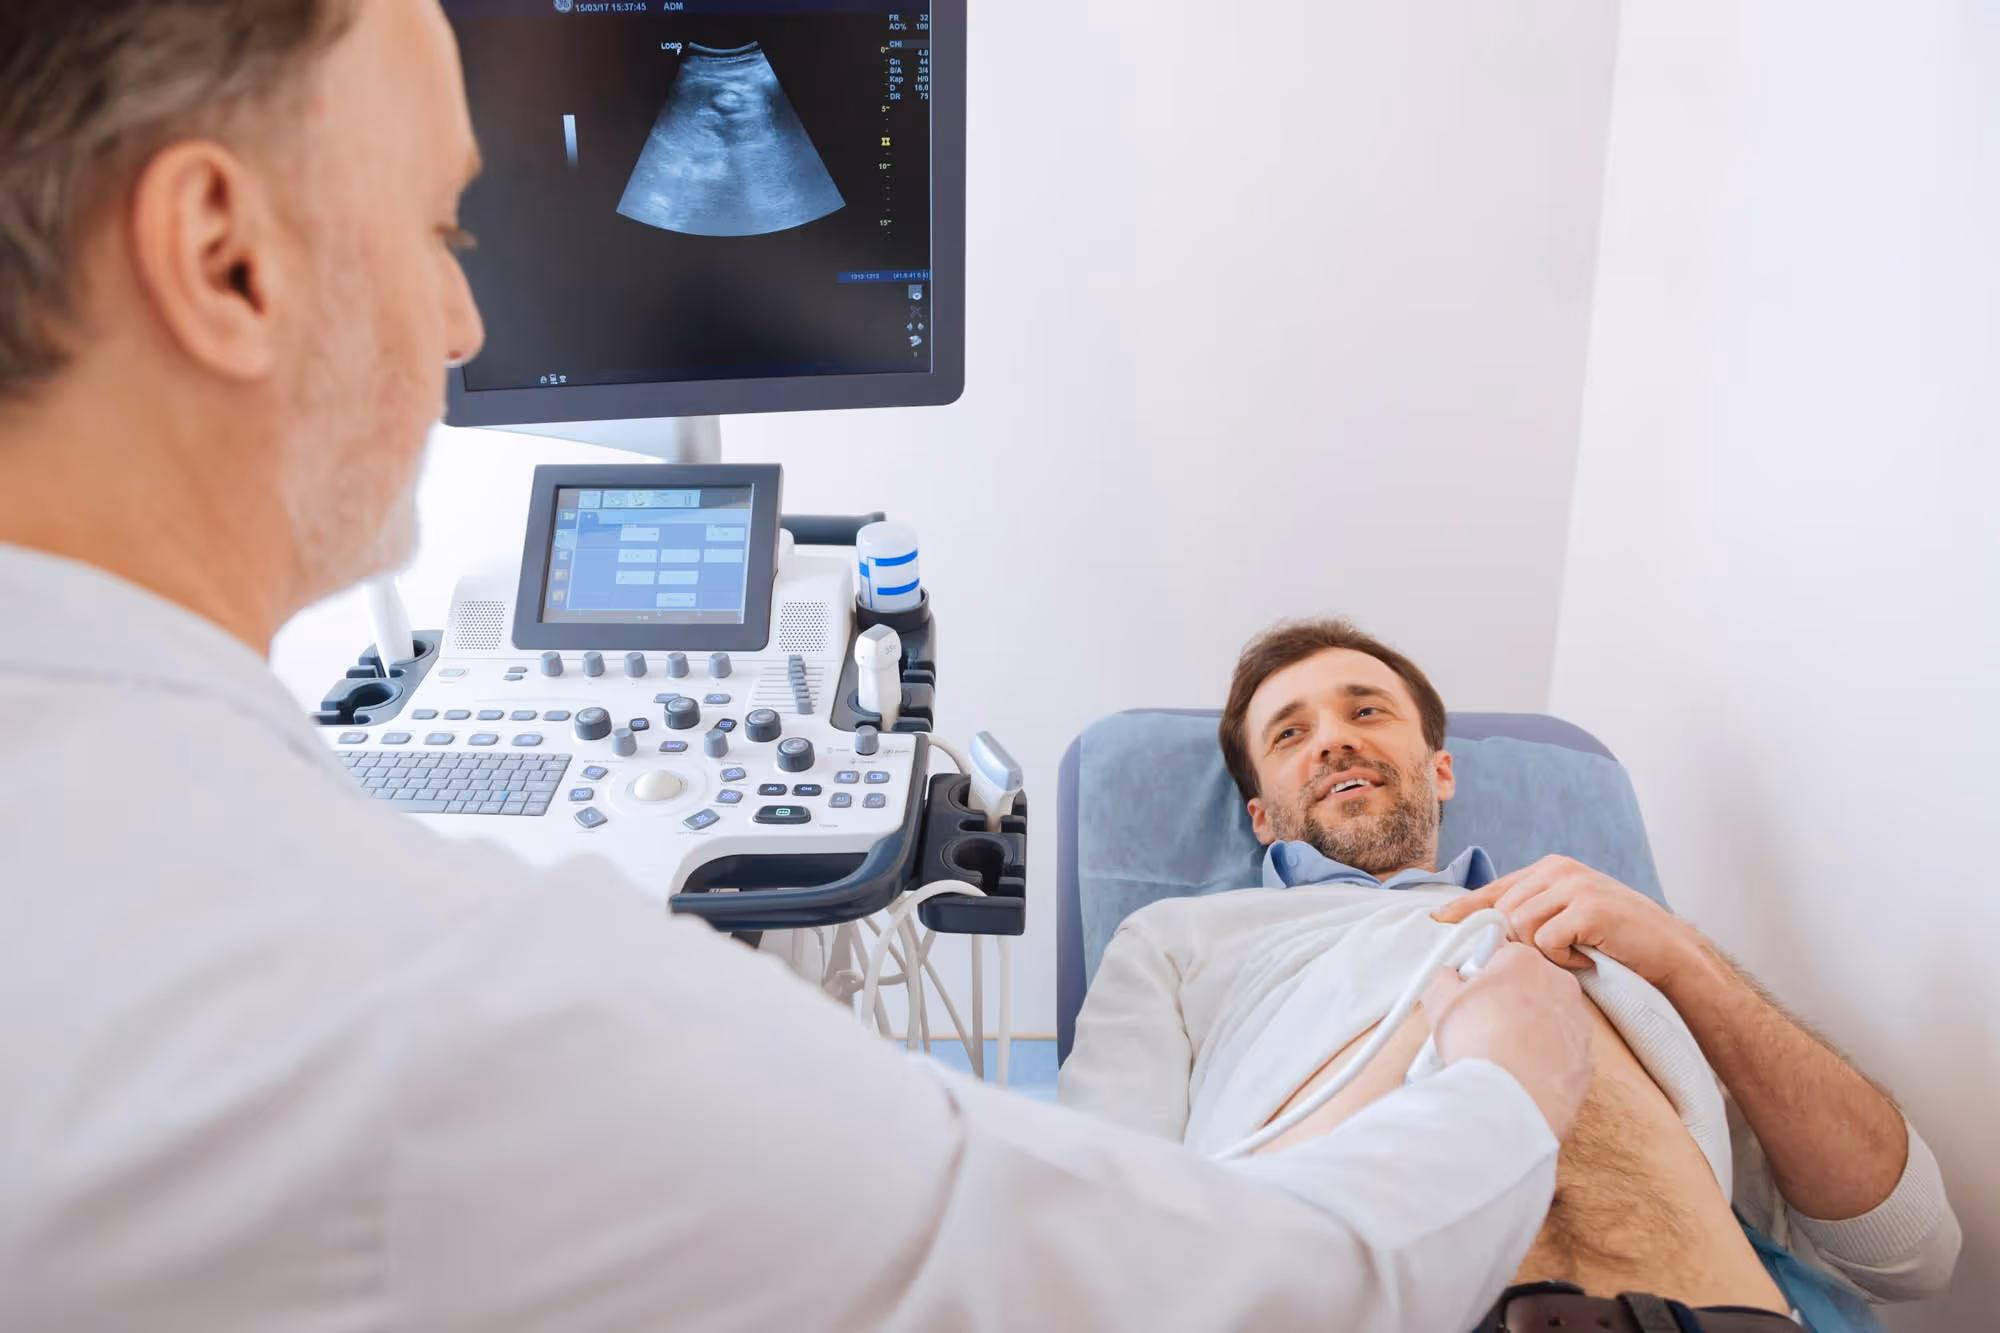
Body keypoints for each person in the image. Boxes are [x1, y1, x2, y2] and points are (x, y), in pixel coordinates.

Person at [0, 3, 1600, 1330]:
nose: (469, 322)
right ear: (222, 255)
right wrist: (1502, 1083)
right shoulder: (449, 1004)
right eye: (438, 225)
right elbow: (1206, 1284)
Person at [1060, 619, 1963, 1332]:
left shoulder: (1617, 940)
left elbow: (1911, 1251)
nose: (1333, 740)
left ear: (1441, 770)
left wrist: (1686, 958)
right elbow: (1100, 1226)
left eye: (1367, 710)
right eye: (1291, 732)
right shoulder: (1181, 937)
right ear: (1261, 815)